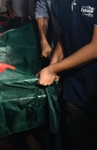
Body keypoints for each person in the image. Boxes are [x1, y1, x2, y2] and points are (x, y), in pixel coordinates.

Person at [36, 0, 97, 150]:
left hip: (93, 86)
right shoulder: (61, 2)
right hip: (76, 88)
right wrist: (55, 63)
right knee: (79, 141)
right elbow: (66, 32)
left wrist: (52, 70)